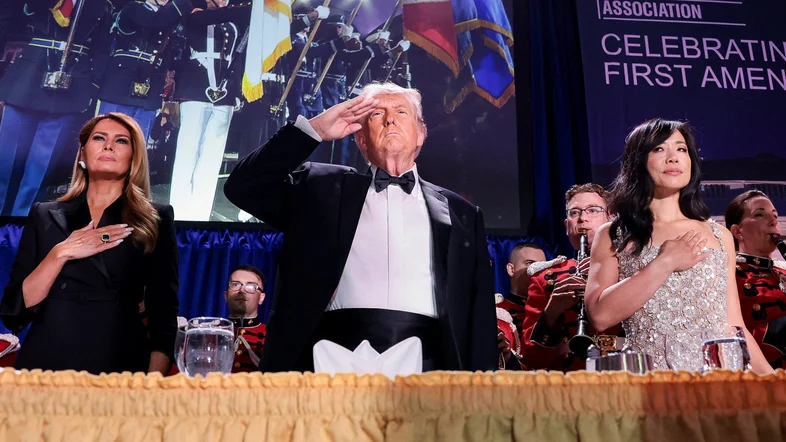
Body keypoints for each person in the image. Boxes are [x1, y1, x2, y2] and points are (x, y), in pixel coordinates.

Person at [224, 82, 496, 372]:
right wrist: (314, 130)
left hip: (431, 368)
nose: (390, 119)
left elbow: (477, 312)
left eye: (401, 112)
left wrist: (484, 387)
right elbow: (243, 187)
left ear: (420, 134)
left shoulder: (461, 213)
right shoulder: (319, 188)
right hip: (329, 362)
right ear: (362, 139)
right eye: (377, 114)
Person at [584, 118, 773, 374]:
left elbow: (733, 324)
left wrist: (771, 380)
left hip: (719, 380)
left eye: (681, 149)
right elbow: (600, 316)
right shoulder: (614, 234)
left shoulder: (719, 235)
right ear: (638, 160)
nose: (673, 158)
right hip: (654, 381)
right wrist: (665, 262)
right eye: (659, 149)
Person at [0, 112, 180, 375]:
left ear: (134, 157)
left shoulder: (155, 218)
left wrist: (152, 384)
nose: (109, 146)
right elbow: (14, 311)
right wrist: (61, 253)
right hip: (47, 362)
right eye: (99, 138)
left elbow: (163, 314)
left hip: (118, 363)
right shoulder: (44, 214)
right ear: (83, 153)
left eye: (121, 141)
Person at [0, 0, 115, 216]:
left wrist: (92, 86)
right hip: (27, 80)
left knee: (41, 166)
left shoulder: (101, 5)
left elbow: (102, 49)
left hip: (72, 81)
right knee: (6, 160)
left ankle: (22, 220)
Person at [519, 184, 623, 371]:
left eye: (593, 210)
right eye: (575, 213)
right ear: (567, 226)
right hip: (570, 380)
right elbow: (532, 360)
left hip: (624, 372)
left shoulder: (630, 267)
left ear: (611, 219)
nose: (583, 218)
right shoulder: (544, 278)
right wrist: (551, 313)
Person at [168, 0, 252, 221]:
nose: (224, 1)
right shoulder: (195, 15)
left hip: (225, 93)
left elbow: (237, 59)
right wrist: (244, 10)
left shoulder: (232, 23)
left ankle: (200, 213)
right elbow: (212, 17)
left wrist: (237, 91)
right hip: (196, 89)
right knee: (188, 151)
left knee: (212, 157)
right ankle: (178, 212)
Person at [97, 0, 193, 141]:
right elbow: (154, 21)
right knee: (109, 138)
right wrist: (185, 3)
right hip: (120, 86)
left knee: (139, 143)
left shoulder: (171, 18)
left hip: (150, 88)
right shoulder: (132, 8)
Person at [725, 190, 786, 369]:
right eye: (760, 214)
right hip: (766, 374)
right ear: (737, 231)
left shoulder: (782, 270)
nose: (773, 221)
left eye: (775, 215)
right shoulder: (729, 274)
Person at [224, 264, 267, 372]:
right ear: (226, 295)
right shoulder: (210, 333)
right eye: (235, 284)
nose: (242, 290)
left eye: (251, 286)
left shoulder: (272, 336)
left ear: (261, 298)